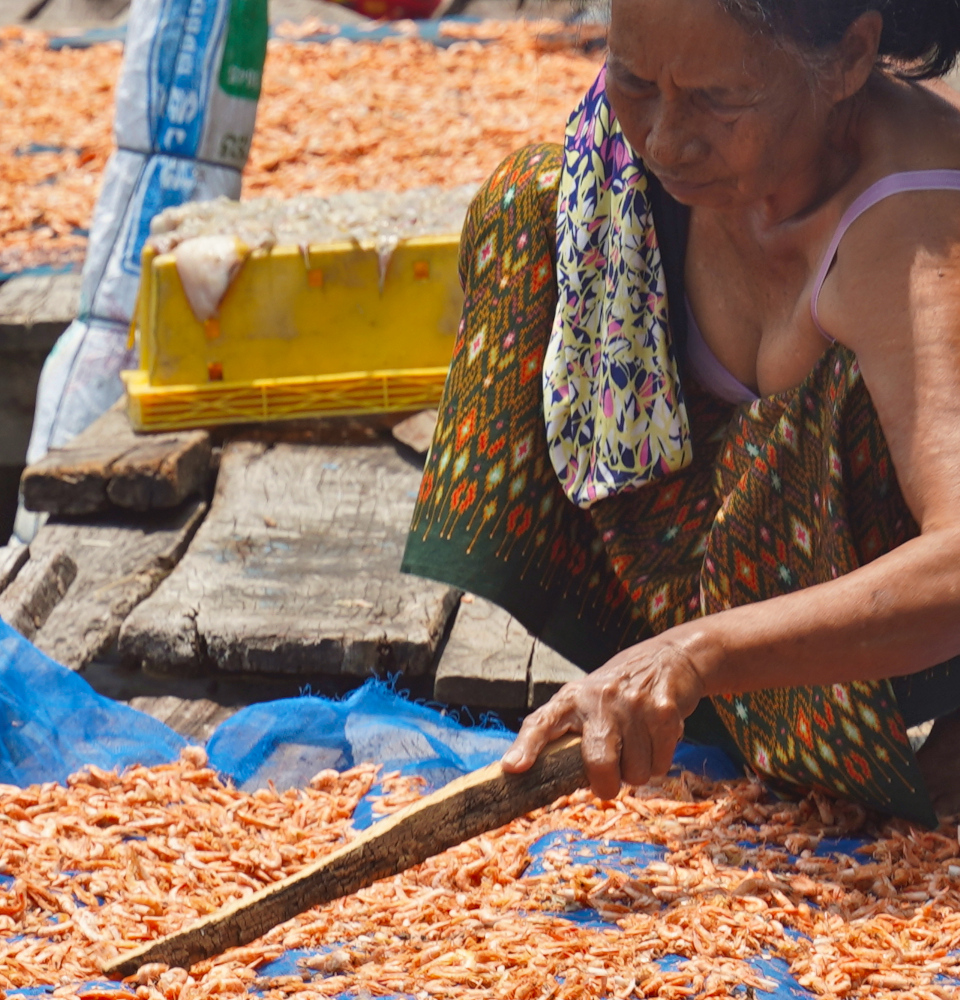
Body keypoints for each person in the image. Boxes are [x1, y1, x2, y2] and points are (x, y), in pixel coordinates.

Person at [402, 0, 960, 825]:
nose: (663, 141)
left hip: (898, 618)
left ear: (848, 59)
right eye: (634, 81)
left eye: (715, 100)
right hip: (696, 551)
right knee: (530, 198)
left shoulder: (913, 233)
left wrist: (698, 653)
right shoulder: (643, 161)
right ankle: (695, 696)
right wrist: (677, 653)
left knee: (842, 408)